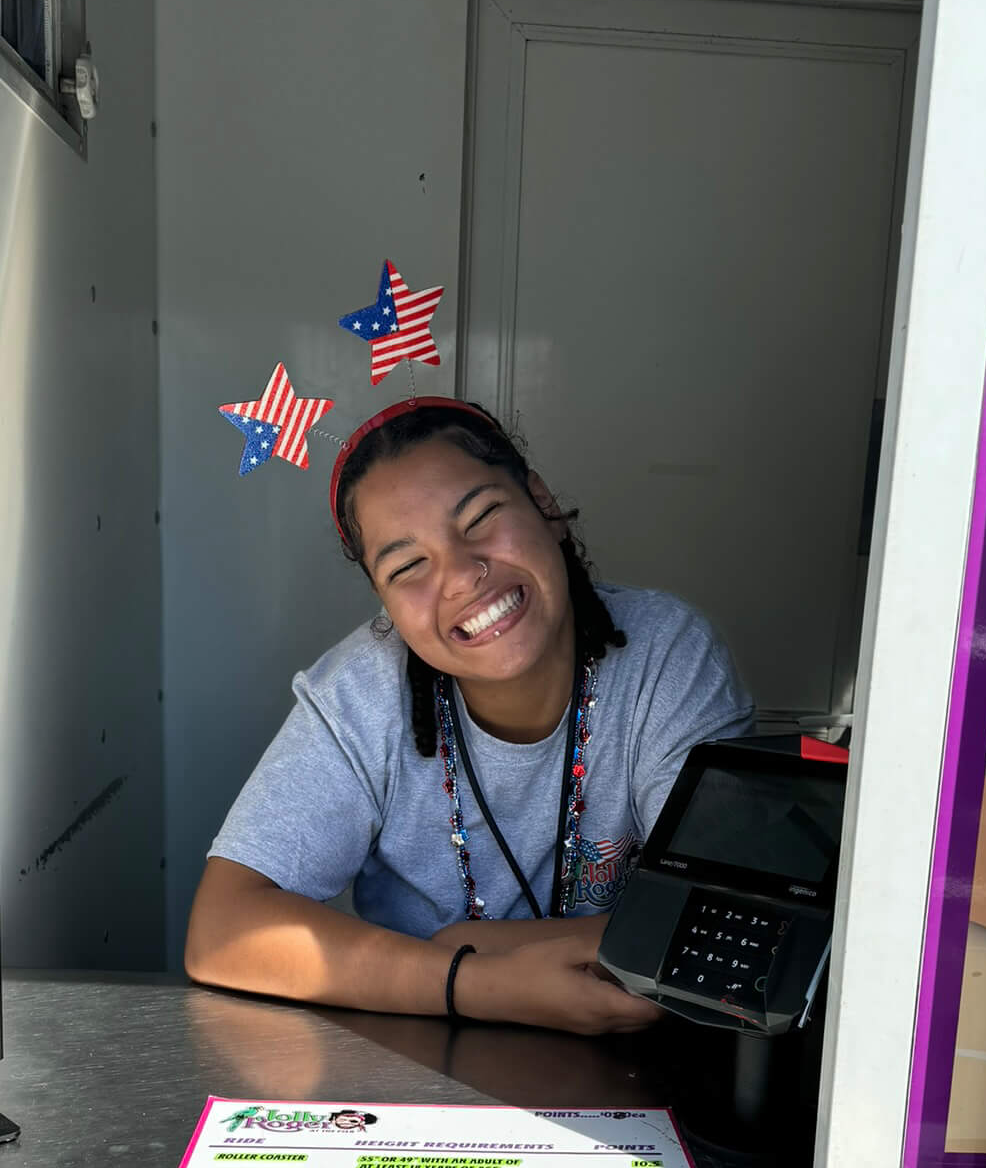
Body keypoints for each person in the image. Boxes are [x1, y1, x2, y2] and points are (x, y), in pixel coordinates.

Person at [185, 399, 753, 1034]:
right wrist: (477, 979)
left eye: (480, 517)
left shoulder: (666, 653)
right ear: (385, 605)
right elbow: (222, 931)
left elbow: (725, 922)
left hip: (643, 1060)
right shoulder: (359, 692)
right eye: (407, 566)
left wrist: (470, 941)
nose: (461, 575)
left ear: (543, 505)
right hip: (419, 1055)